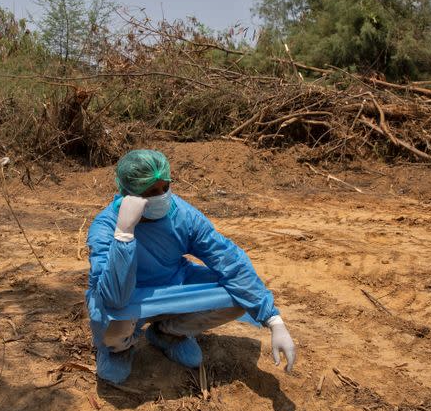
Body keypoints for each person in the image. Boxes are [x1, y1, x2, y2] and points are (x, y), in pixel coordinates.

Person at [86, 149, 296, 384]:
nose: (163, 196)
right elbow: (114, 296)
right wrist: (124, 234)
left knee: (238, 295)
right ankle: (119, 349)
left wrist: (273, 319)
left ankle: (168, 333)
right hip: (129, 297)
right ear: (129, 193)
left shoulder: (182, 215)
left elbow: (228, 259)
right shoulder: (106, 227)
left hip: (173, 285)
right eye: (152, 191)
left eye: (165, 187)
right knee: (111, 316)